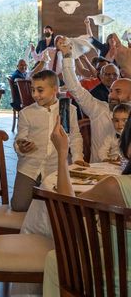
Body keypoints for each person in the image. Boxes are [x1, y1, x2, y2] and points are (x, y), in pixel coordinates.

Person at [43, 117, 131, 296]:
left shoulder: (116, 186)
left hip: (120, 286)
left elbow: (67, 208)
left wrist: (62, 152)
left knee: (56, 259)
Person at [11, 70, 85, 212]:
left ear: (55, 90)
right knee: (19, 206)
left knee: (61, 208)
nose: (35, 95)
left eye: (40, 90)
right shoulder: (26, 113)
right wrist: (21, 146)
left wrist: (77, 158)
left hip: (56, 167)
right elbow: (20, 138)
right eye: (32, 90)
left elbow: (75, 136)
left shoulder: (68, 109)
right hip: (30, 167)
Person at [57, 37, 131, 161]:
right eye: (111, 91)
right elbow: (74, 87)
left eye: (117, 91)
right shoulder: (98, 108)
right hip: (98, 174)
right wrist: (67, 56)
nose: (111, 95)